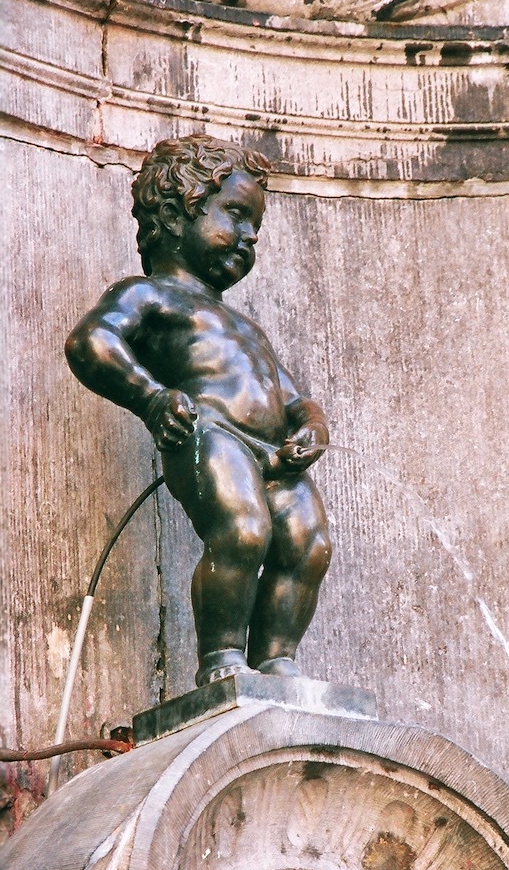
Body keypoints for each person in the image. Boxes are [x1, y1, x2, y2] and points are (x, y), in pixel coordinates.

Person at [66, 135, 332, 686]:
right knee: (242, 529)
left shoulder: (247, 326)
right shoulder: (148, 295)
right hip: (207, 430)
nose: (250, 234)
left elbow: (291, 395)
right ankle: (222, 659)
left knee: (308, 543)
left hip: (274, 451)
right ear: (173, 215)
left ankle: (277, 660)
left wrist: (313, 424)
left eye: (255, 224)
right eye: (236, 214)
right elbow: (91, 341)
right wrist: (150, 397)